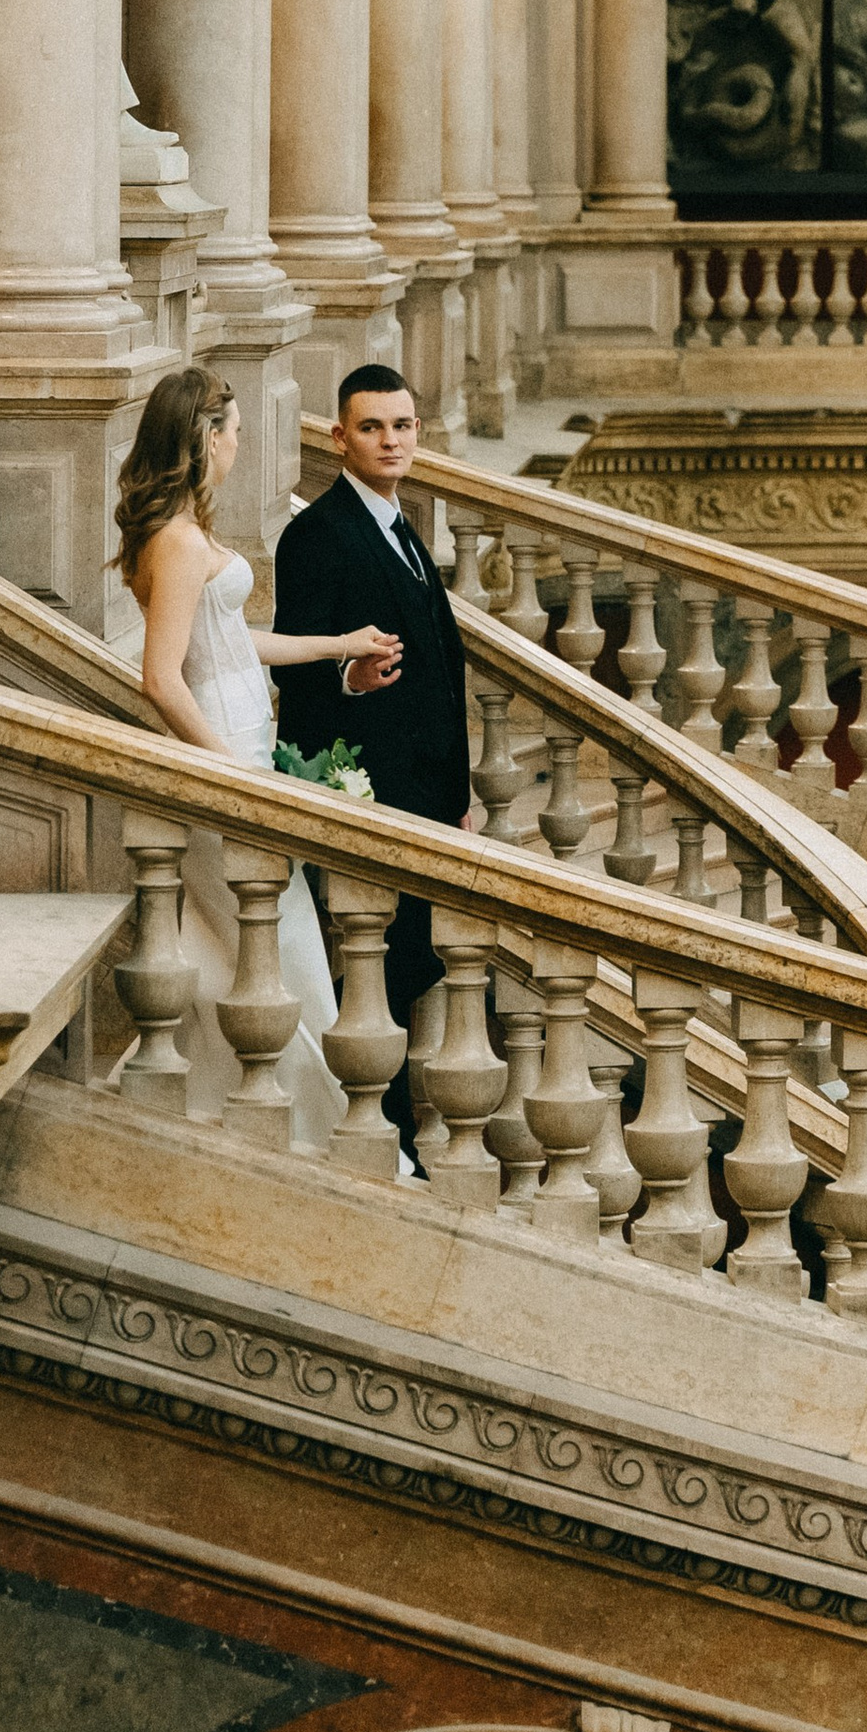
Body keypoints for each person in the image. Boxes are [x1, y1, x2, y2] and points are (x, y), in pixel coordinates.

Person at [117, 365, 401, 1148]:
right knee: (282, 953)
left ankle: (269, 1118)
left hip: (246, 752)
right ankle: (319, 1130)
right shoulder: (175, 542)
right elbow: (161, 678)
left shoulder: (184, 531)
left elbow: (235, 646)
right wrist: (228, 771)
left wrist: (338, 644)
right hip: (225, 763)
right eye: (233, 430)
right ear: (205, 438)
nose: (241, 442)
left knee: (258, 953)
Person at [273, 364, 473, 1158]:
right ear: (339, 437)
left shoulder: (401, 521)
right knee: (390, 955)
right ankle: (373, 1128)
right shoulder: (317, 534)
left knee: (410, 957)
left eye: (403, 427)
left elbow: (442, 670)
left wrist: (458, 793)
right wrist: (347, 679)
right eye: (373, 428)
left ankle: (378, 1124)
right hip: (375, 785)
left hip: (430, 790)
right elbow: (294, 663)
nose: (391, 441)